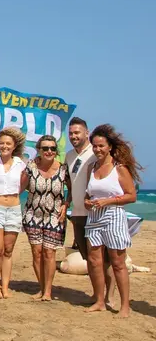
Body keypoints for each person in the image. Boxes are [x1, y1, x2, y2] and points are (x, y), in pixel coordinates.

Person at [84, 124, 142, 318]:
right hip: (94, 216)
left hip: (114, 215)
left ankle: (124, 306)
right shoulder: (91, 168)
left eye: (101, 146)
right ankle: (100, 301)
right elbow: (88, 193)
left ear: (109, 146)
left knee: (118, 262)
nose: (98, 149)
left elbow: (131, 196)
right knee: (94, 261)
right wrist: (87, 201)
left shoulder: (119, 168)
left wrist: (108, 201)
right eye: (94, 146)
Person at [66, 116, 111, 299]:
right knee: (89, 259)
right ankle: (97, 294)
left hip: (96, 214)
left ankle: (109, 296)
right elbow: (71, 183)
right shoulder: (69, 156)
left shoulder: (96, 153)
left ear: (87, 132)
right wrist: (67, 202)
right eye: (70, 133)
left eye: (77, 132)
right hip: (77, 214)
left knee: (105, 259)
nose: (73, 136)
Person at [22, 135, 70, 301]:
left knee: (49, 253)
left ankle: (48, 291)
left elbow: (72, 190)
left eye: (52, 148)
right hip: (32, 214)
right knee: (37, 253)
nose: (49, 151)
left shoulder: (64, 169)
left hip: (54, 216)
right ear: (38, 150)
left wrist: (67, 204)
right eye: (45, 148)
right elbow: (20, 187)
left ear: (56, 151)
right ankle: (41, 288)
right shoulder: (31, 167)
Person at [0, 127, 26, 298]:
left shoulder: (21, 164)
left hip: (14, 209)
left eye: (8, 143)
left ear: (14, 146)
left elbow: (24, 184)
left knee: (8, 250)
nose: (4, 146)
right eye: (1, 143)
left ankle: (5, 286)